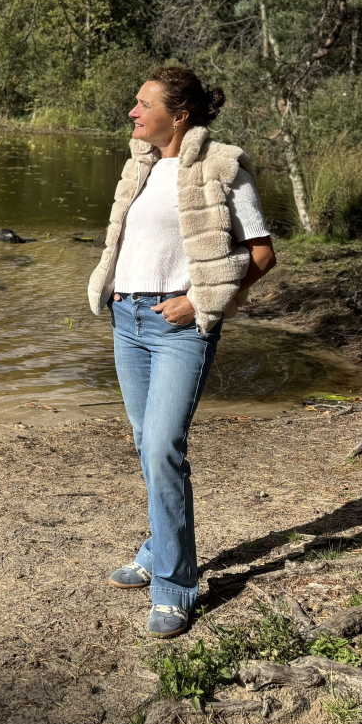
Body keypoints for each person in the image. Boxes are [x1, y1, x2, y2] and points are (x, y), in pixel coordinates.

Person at [87, 68, 276, 639]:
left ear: (180, 113)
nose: (132, 112)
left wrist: (201, 300)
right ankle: (156, 545)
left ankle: (175, 584)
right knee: (147, 445)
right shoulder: (139, 166)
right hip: (127, 320)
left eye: (143, 104)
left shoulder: (222, 167)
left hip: (179, 328)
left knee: (165, 446)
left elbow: (261, 253)